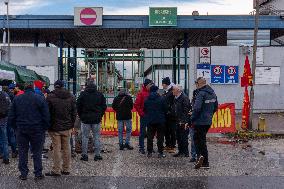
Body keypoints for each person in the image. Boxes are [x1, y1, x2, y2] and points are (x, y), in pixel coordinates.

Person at [8, 82, 50, 180]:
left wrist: (15, 127)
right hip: (37, 129)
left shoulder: (17, 99)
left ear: (24, 88)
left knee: (22, 152)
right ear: (33, 88)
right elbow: (46, 115)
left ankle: (23, 173)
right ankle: (38, 173)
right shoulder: (40, 98)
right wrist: (44, 127)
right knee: (37, 152)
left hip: (21, 129)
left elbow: (11, 116)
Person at [45, 80, 76, 177]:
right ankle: (66, 169)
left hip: (54, 128)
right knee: (67, 148)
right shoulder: (71, 96)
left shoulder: (50, 97)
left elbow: (47, 113)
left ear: (55, 86)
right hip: (67, 127)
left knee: (56, 149)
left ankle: (56, 170)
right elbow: (74, 113)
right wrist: (71, 125)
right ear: (63, 86)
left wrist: (48, 125)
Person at [77, 79, 107, 161]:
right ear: (95, 85)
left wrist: (81, 116)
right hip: (96, 119)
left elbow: (78, 106)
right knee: (96, 137)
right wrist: (100, 115)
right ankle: (97, 155)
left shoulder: (82, 94)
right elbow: (104, 106)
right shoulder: (99, 94)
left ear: (86, 85)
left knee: (85, 137)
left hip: (85, 119)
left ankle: (84, 155)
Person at [191, 77, 218, 169]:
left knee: (199, 140)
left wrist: (192, 118)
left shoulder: (200, 93)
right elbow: (215, 107)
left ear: (199, 84)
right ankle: (201, 158)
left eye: (196, 84)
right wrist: (209, 115)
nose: (196, 86)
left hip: (199, 121)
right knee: (200, 139)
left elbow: (197, 108)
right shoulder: (212, 93)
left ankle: (204, 160)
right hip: (208, 121)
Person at [144, 85, 167, 158]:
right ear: (156, 90)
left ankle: (149, 152)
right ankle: (160, 152)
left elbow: (145, 109)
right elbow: (165, 109)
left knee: (150, 137)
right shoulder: (161, 99)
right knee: (160, 137)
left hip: (150, 120)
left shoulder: (147, 99)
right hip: (160, 120)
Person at [172, 85, 192, 158]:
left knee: (184, 137)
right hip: (177, 120)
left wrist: (184, 121)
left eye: (174, 89)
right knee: (178, 137)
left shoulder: (184, 98)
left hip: (183, 121)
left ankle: (186, 152)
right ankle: (180, 151)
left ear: (178, 90)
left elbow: (186, 111)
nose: (172, 91)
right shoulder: (175, 98)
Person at [134, 79, 152, 154]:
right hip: (144, 116)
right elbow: (136, 104)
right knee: (142, 132)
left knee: (150, 132)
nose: (151, 86)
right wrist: (142, 113)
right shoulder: (141, 94)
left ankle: (149, 147)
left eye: (151, 85)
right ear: (146, 85)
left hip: (151, 116)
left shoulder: (152, 93)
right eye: (150, 85)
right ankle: (141, 147)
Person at [161, 77, 176, 153]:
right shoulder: (167, 92)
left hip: (171, 115)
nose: (162, 85)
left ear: (165, 84)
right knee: (167, 130)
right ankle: (168, 145)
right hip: (166, 115)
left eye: (163, 84)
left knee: (171, 131)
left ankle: (172, 146)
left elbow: (170, 103)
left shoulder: (171, 92)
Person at [188, 82, 199, 163]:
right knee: (193, 139)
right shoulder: (195, 94)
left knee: (198, 139)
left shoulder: (203, 94)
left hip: (199, 121)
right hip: (193, 121)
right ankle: (193, 155)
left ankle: (198, 155)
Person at [0, 89, 11, 164]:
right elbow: (9, 106)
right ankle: (6, 157)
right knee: (4, 139)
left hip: (3, 118)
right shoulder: (6, 95)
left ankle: (2, 153)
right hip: (3, 118)